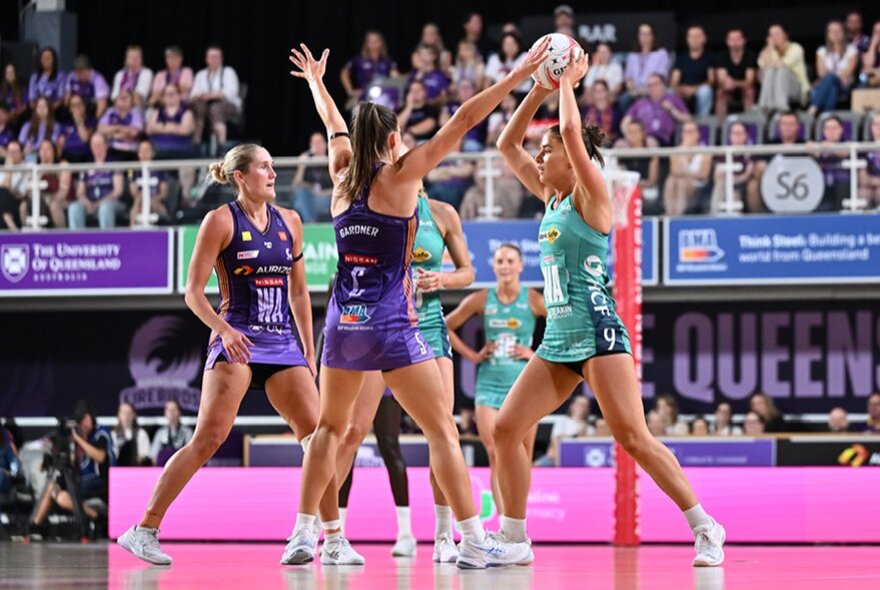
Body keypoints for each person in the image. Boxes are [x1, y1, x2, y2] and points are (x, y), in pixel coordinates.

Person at [285, 39, 550, 569]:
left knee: (329, 431)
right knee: (441, 431)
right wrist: (518, 76)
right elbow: (463, 119)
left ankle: (302, 533)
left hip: (342, 321)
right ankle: (472, 538)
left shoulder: (341, 172)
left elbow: (334, 122)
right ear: (390, 140)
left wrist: (317, 83)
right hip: (391, 322)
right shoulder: (400, 176)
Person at [495, 49, 725, 566]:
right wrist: (537, 87)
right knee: (507, 430)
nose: (537, 157)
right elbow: (505, 143)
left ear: (569, 158)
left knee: (634, 438)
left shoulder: (590, 194)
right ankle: (514, 539)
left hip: (599, 334)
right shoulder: (549, 196)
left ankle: (706, 526)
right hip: (557, 339)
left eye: (545, 150)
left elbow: (575, 138)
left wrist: (568, 84)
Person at [118, 143, 341, 566]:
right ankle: (143, 529)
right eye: (263, 167)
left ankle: (331, 539)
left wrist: (309, 350)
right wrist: (224, 330)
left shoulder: (290, 221)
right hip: (236, 338)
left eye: (274, 166)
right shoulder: (220, 221)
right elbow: (192, 293)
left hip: (281, 341)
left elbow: (297, 291)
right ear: (240, 176)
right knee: (208, 438)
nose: (273, 174)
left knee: (318, 437)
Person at [335, 185, 475, 561]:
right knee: (351, 431)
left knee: (442, 430)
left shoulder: (442, 213)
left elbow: (467, 271)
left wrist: (443, 279)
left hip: (428, 324)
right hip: (385, 325)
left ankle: (445, 536)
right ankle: (328, 533)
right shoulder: (377, 206)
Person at [446, 243, 545, 501]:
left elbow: (564, 327)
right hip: (488, 385)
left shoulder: (533, 299)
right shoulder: (481, 298)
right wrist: (473, 355)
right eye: (500, 261)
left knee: (524, 454)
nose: (505, 266)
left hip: (524, 388)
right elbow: (446, 326)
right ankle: (504, 526)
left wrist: (533, 355)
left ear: (521, 266)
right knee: (495, 453)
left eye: (510, 261)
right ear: (493, 266)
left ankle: (518, 523)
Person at [30, 400, 115, 532]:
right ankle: (35, 527)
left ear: (87, 418)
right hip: (82, 481)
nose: (80, 427)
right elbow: (73, 462)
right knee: (56, 491)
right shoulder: (79, 437)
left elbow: (101, 457)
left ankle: (35, 528)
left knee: (62, 493)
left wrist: (78, 439)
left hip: (100, 481)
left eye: (81, 423)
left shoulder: (101, 432)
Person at [68, 133, 126, 229]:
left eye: (100, 144)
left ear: (106, 146)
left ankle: (107, 241)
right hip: (90, 203)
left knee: (105, 208)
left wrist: (98, 204)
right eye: (94, 145)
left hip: (112, 202)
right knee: (74, 207)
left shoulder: (114, 164)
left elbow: (117, 191)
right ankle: (76, 241)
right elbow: (80, 193)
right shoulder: (87, 166)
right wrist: (88, 204)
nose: (97, 147)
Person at [190, 45, 242, 146]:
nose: (214, 59)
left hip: (227, 106)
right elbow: (193, 94)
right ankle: (196, 142)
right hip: (205, 107)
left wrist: (211, 96)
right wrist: (200, 97)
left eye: (216, 56)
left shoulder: (228, 72)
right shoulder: (201, 74)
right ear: (206, 59)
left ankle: (221, 145)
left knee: (216, 108)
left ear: (221, 58)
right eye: (211, 56)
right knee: (198, 106)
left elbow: (231, 93)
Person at [17, 139, 72, 229]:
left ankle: (62, 236)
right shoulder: (36, 168)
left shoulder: (62, 164)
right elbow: (30, 195)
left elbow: (63, 191)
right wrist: (40, 172)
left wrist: (49, 201)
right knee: (23, 206)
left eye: (48, 149)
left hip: (62, 201)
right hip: (42, 201)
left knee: (54, 206)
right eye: (42, 149)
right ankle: (29, 236)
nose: (45, 152)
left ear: (54, 152)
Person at [623, 74, 691, 146]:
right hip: (638, 137)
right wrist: (628, 135)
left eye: (655, 84)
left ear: (663, 85)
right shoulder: (640, 103)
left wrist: (672, 110)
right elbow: (625, 122)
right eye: (649, 85)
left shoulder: (673, 99)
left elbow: (688, 119)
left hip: (660, 138)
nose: (652, 87)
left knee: (649, 141)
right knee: (620, 144)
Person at [809, 21, 858, 115]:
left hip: (845, 86)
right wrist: (831, 76)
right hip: (830, 84)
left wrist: (830, 76)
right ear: (827, 34)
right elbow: (821, 73)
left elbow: (847, 72)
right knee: (832, 87)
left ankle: (813, 109)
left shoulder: (852, 50)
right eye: (832, 31)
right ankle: (827, 117)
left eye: (838, 30)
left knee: (830, 79)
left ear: (844, 33)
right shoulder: (821, 51)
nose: (835, 33)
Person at [341, 31, 399, 110]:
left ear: (381, 42)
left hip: (383, 99)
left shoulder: (387, 61)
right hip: (363, 99)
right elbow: (344, 72)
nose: (374, 43)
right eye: (370, 41)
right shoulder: (359, 59)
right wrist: (350, 91)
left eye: (376, 40)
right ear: (366, 43)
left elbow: (396, 78)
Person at [663, 121, 712, 216]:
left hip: (697, 185)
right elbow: (675, 171)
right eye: (686, 132)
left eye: (691, 132)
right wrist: (684, 149)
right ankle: (670, 213)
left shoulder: (705, 151)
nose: (688, 135)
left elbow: (703, 175)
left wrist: (685, 175)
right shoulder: (676, 151)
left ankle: (678, 215)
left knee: (681, 182)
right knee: (670, 181)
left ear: (698, 134)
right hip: (679, 181)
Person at [710, 122, 759, 214]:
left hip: (743, 186)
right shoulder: (723, 153)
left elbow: (747, 175)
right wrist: (729, 181)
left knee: (734, 194)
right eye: (734, 133)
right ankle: (713, 214)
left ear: (746, 135)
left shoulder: (750, 153)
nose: (737, 136)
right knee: (720, 184)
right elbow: (717, 175)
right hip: (726, 185)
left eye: (739, 133)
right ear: (730, 136)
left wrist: (731, 180)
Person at [757, 24, 808, 111]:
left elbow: (782, 64)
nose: (774, 38)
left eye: (777, 34)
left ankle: (781, 106)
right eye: (771, 35)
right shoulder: (767, 51)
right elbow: (763, 67)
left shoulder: (796, 48)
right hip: (773, 92)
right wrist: (769, 48)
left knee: (781, 70)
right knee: (768, 71)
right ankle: (765, 105)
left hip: (796, 89)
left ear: (785, 35)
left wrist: (770, 65)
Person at [534, 395, 592, 466]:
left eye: (585, 405)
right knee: (534, 467)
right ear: (572, 405)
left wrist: (582, 431)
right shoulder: (563, 421)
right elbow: (555, 439)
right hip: (555, 455)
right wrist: (558, 460)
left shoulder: (589, 425)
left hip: (577, 458)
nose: (582, 408)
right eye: (579, 404)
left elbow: (588, 444)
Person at [670, 26, 715, 116]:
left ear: (704, 39)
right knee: (669, 91)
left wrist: (693, 89)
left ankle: (702, 122)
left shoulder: (710, 58)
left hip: (700, 89)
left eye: (697, 36)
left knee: (705, 91)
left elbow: (711, 81)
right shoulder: (681, 59)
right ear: (687, 39)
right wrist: (679, 89)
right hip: (683, 89)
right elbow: (674, 81)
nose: (694, 39)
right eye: (691, 36)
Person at [624, 23, 670, 107]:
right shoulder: (632, 55)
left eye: (647, 34)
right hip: (635, 91)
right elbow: (628, 78)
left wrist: (643, 91)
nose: (644, 37)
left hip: (653, 88)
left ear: (653, 36)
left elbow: (661, 78)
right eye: (642, 34)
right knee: (624, 99)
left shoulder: (661, 53)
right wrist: (632, 90)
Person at [613, 120, 660, 202]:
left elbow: (652, 181)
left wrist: (635, 185)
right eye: (629, 132)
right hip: (627, 188)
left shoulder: (650, 152)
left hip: (646, 189)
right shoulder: (623, 152)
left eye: (635, 131)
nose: (632, 135)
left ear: (642, 133)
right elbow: (620, 175)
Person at [714, 29, 757, 117]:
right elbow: (722, 80)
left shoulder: (750, 56)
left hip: (744, 88)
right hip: (728, 90)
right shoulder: (721, 56)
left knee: (749, 92)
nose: (735, 42)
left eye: (737, 39)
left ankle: (750, 124)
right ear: (727, 42)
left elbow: (750, 81)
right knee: (720, 93)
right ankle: (720, 127)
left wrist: (734, 83)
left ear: (744, 41)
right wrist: (727, 84)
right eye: (732, 39)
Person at [292, 132, 334, 222]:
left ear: (325, 145)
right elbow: (295, 186)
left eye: (318, 142)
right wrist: (301, 167)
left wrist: (322, 193)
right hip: (309, 198)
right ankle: (311, 223)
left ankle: (309, 225)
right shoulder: (307, 163)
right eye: (313, 143)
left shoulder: (331, 163)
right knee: (300, 195)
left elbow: (338, 189)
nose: (316, 145)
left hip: (325, 198)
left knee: (300, 204)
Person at [128, 140, 170, 225]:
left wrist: (151, 200)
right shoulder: (132, 170)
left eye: (147, 150)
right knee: (137, 204)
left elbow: (164, 193)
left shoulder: (160, 169)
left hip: (156, 201)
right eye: (141, 151)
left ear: (152, 153)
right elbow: (134, 192)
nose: (144, 154)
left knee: (152, 204)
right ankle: (132, 230)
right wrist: (143, 199)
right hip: (139, 200)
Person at [812, 116, 849, 211]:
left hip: (841, 185)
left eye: (834, 128)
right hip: (821, 185)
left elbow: (845, 152)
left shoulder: (847, 144)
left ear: (841, 129)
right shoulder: (818, 146)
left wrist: (829, 147)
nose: (831, 131)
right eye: (827, 128)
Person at [440, 79, 487, 151]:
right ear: (458, 91)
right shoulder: (450, 105)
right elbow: (443, 121)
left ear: (473, 90)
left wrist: (460, 135)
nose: (465, 90)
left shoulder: (479, 105)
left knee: (470, 146)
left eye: (467, 87)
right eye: (462, 88)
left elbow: (477, 120)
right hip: (453, 139)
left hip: (473, 142)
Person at [97, 90, 145, 161]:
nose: (123, 100)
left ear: (131, 102)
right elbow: (100, 129)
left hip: (130, 150)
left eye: (126, 98)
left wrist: (113, 135)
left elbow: (134, 132)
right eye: (121, 98)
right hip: (111, 149)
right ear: (115, 101)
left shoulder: (135, 112)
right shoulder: (110, 112)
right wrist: (119, 128)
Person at [65, 55, 110, 119]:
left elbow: (102, 106)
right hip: (77, 108)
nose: (79, 75)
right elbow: (66, 101)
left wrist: (95, 123)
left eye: (82, 72)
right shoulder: (72, 77)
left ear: (89, 70)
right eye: (77, 72)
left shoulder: (98, 80)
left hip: (92, 109)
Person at [18, 96, 59, 163]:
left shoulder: (55, 126)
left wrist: (33, 149)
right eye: (39, 106)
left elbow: (52, 145)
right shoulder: (27, 125)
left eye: (44, 106)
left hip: (47, 158)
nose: (41, 109)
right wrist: (24, 150)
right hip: (29, 158)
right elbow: (21, 144)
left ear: (49, 109)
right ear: (35, 109)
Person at [57, 93, 95, 163]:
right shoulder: (66, 124)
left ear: (84, 106)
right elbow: (60, 143)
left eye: (79, 104)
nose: (76, 108)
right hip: (68, 156)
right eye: (73, 105)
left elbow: (85, 138)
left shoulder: (91, 122)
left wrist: (78, 120)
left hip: (85, 156)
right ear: (70, 109)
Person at [28, 47, 66, 111]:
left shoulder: (60, 76)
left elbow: (60, 99)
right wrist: (38, 111)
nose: (46, 60)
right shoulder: (34, 77)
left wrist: (48, 111)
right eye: (43, 58)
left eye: (48, 58)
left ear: (54, 60)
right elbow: (31, 100)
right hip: (37, 111)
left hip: (54, 110)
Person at [582, 81, 619, 146]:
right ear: (593, 94)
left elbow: (618, 133)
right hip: (589, 145)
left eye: (602, 90)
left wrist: (607, 137)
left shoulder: (616, 113)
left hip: (610, 145)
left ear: (607, 92)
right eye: (596, 91)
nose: (599, 93)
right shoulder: (585, 111)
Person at [0, 141, 27, 230]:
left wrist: (10, 167)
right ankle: (8, 221)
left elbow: (21, 193)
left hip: (17, 202)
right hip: (3, 203)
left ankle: (11, 225)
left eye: (15, 152)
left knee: (3, 192)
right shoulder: (3, 168)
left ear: (22, 153)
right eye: (9, 152)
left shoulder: (27, 168)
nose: (11, 155)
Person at [858, 112, 880, 208]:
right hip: (868, 186)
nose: (878, 127)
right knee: (863, 193)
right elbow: (863, 179)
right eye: (875, 124)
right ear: (870, 127)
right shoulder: (864, 148)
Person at [861, 22, 880, 88]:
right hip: (870, 78)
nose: (878, 34)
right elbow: (868, 65)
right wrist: (872, 45)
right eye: (876, 31)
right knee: (862, 79)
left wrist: (873, 70)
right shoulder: (866, 45)